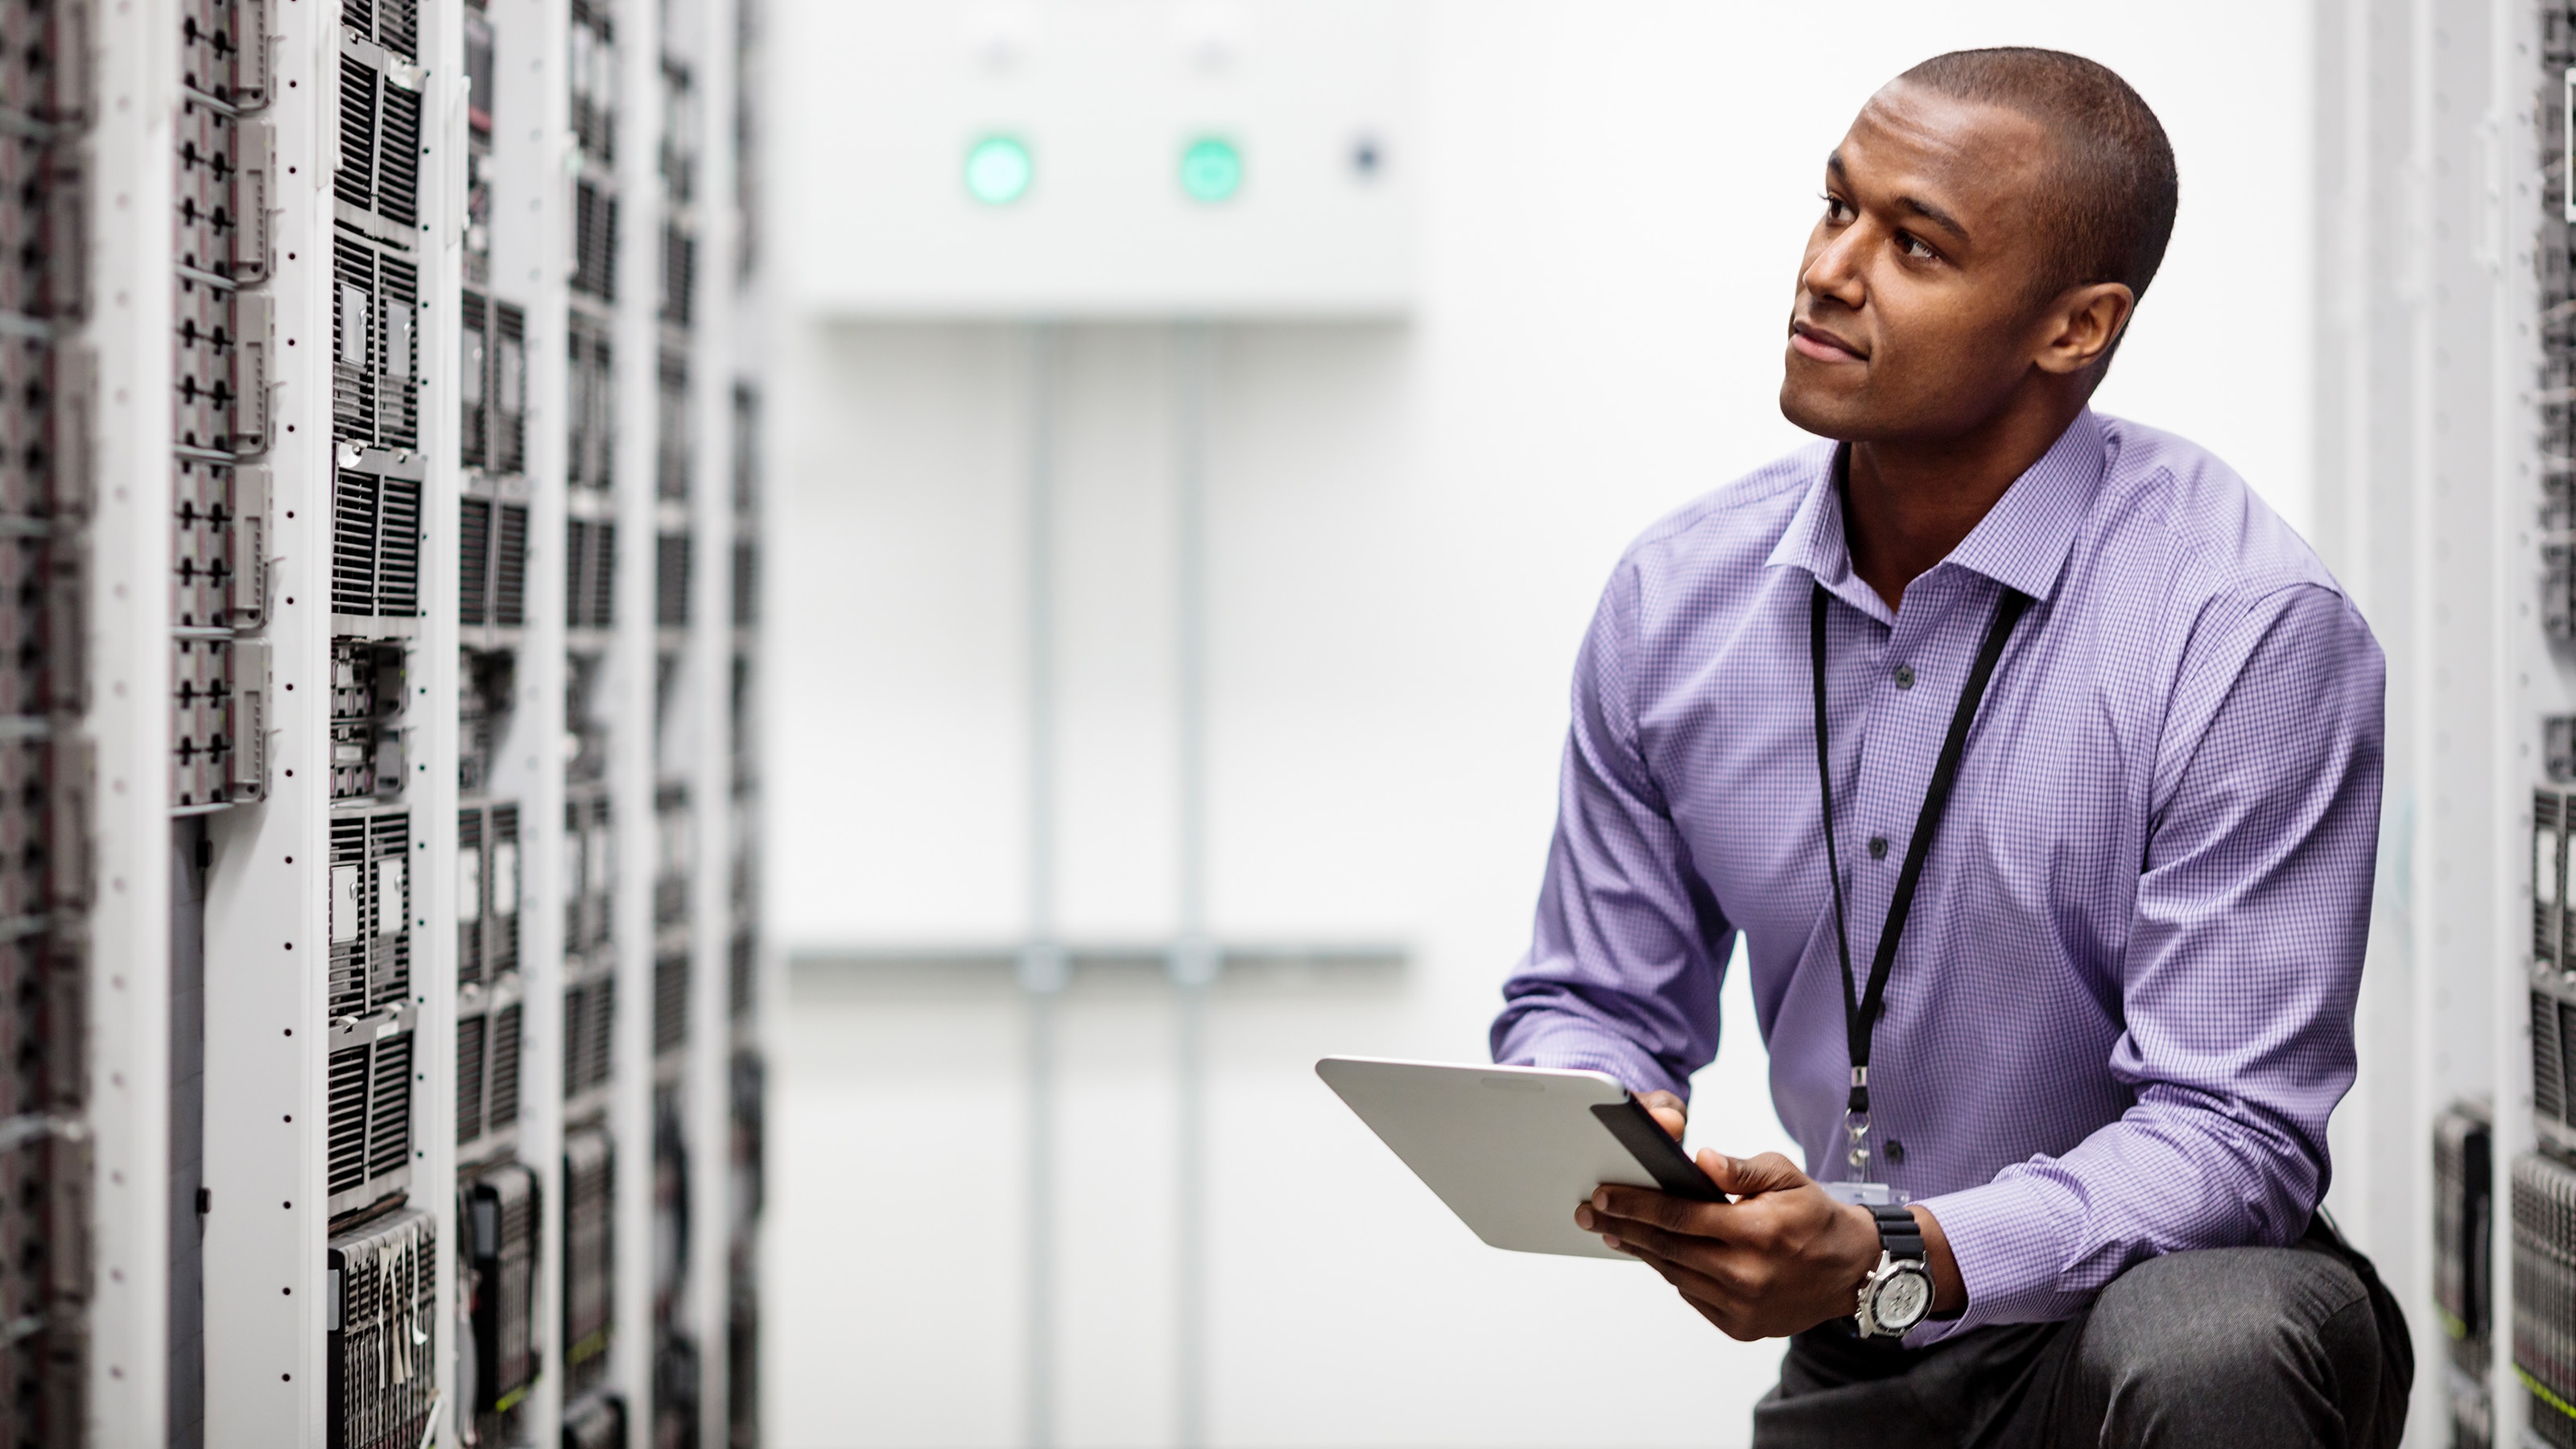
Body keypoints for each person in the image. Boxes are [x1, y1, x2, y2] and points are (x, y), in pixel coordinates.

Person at [1488, 47, 2410, 1448]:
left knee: (2207, 1341)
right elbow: (1591, 995)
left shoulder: (2244, 628)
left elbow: (2238, 1142)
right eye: (1835, 206)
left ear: (2072, 328)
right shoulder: (1678, 600)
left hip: (2148, 1326)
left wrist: (1901, 1249)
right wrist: (1607, 1119)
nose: (1830, 272)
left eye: (1916, 245)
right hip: (1865, 1343)